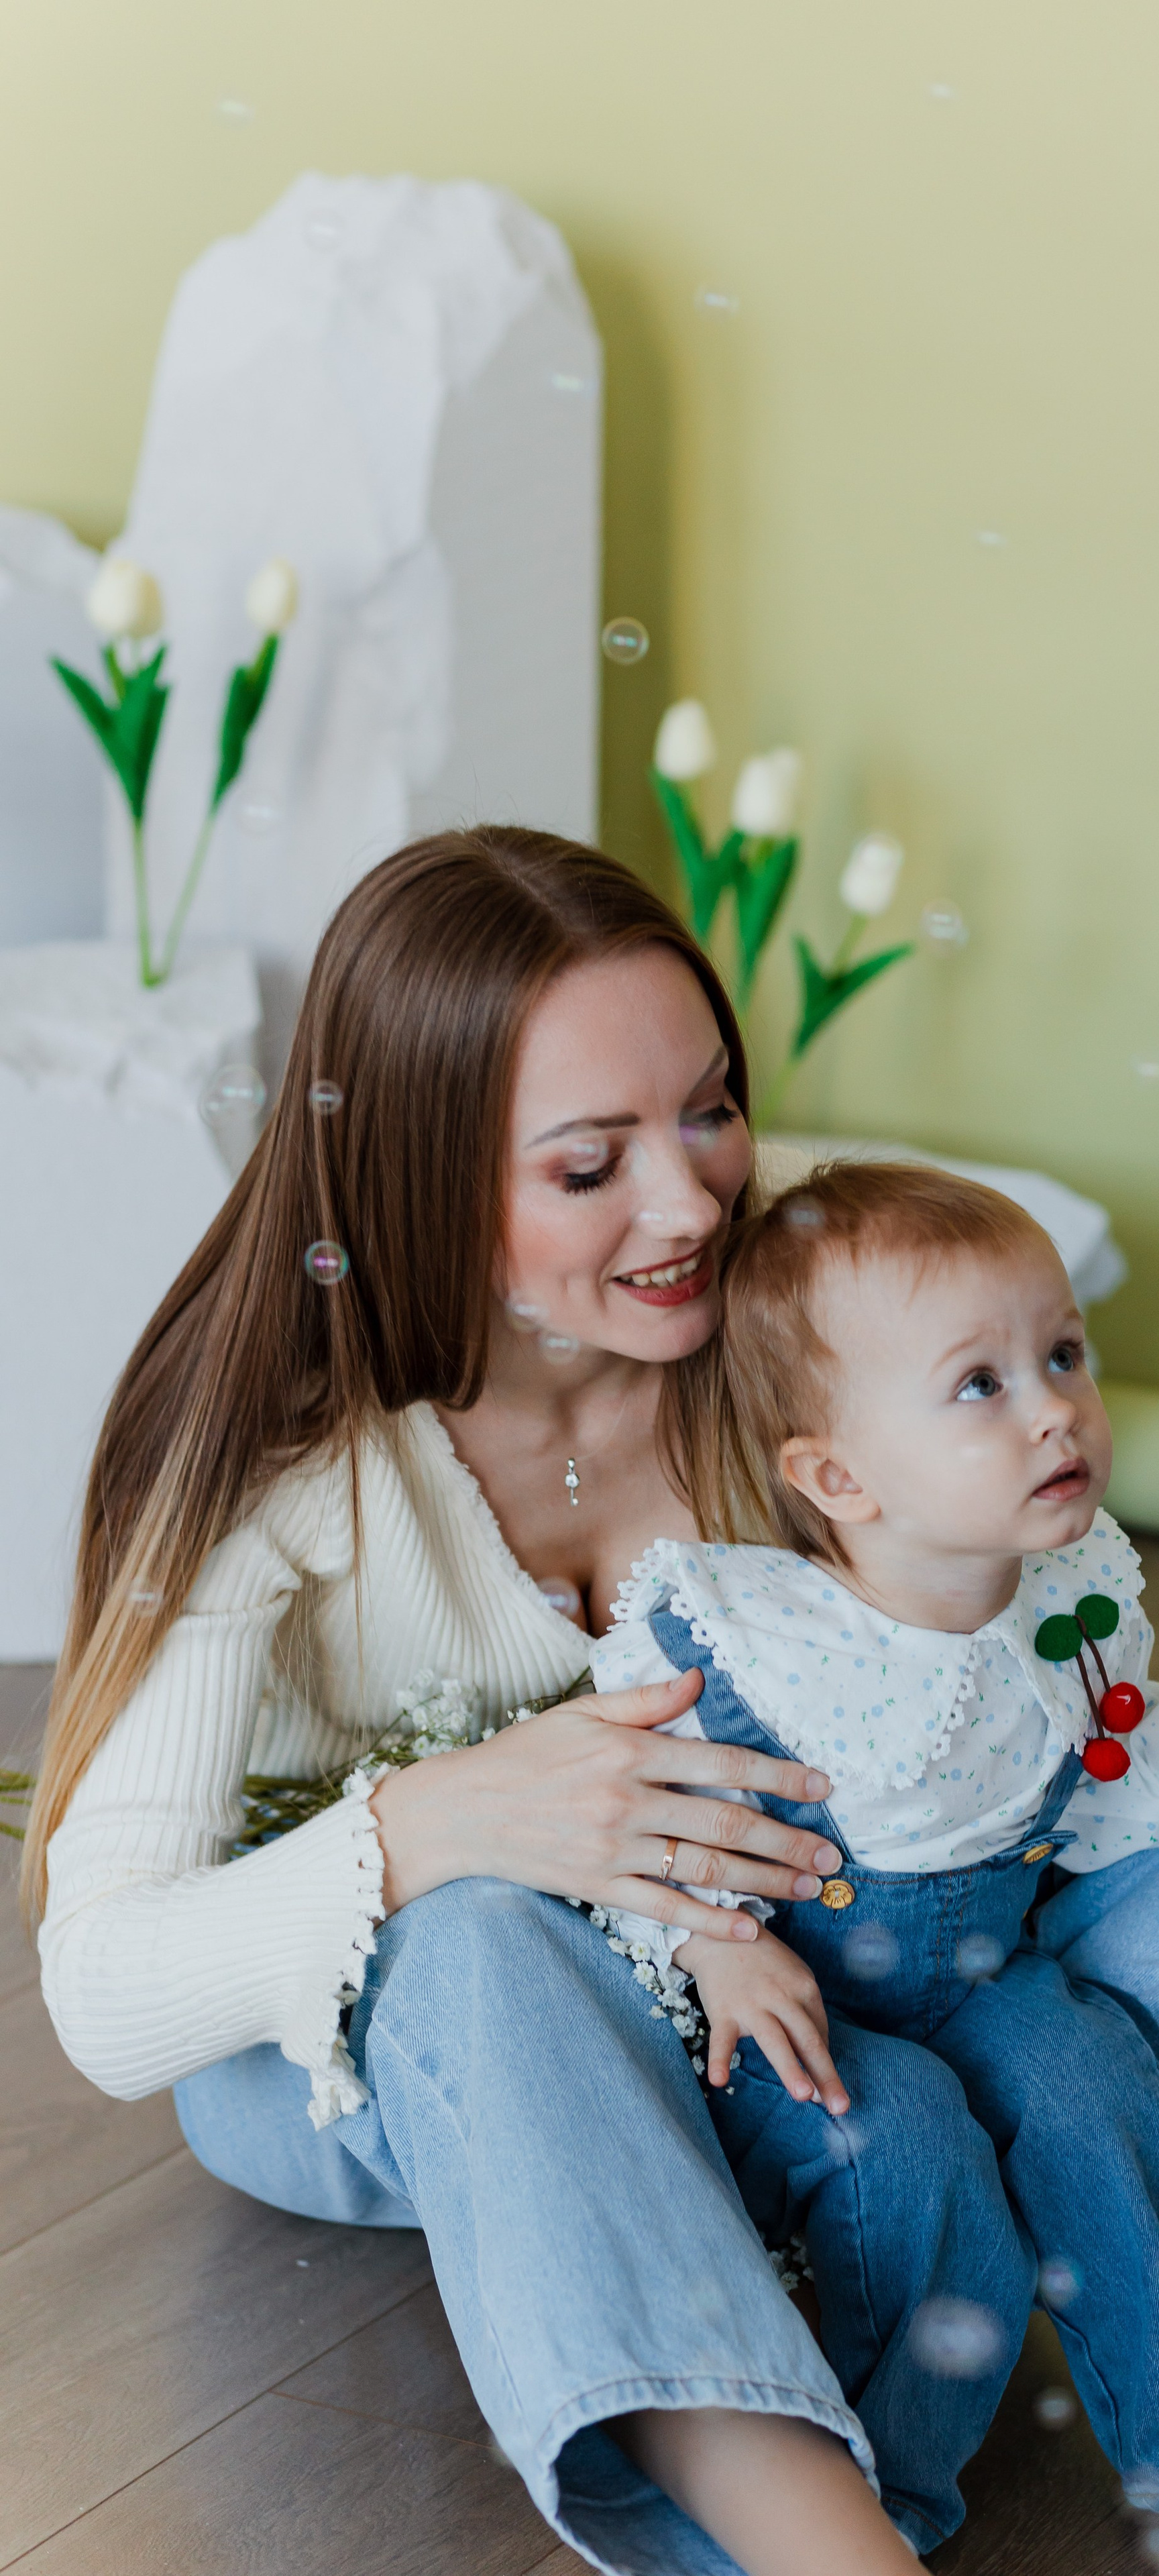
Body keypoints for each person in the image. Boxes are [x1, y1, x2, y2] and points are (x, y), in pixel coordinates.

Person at [25, 830, 1036, 2576]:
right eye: (589, 1165)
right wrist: (430, 1828)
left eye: (710, 1111)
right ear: (419, 1179)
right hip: (372, 2050)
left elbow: (997, 1608)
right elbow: (104, 1997)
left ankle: (1033, 2362)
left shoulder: (775, 1340)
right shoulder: (273, 1456)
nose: (692, 1202)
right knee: (488, 1938)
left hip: (729, 1982)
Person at [590, 1160, 1159, 2548]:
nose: (1053, 1408)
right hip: (793, 2011)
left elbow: (1110, 1746)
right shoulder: (755, 1639)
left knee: (1088, 2086)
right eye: (980, 1384)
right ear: (837, 1477)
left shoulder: (1066, 1596)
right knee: (909, 2155)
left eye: (1063, 1355)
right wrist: (718, 1946)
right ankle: (881, 2500)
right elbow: (636, 1805)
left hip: (976, 1971)